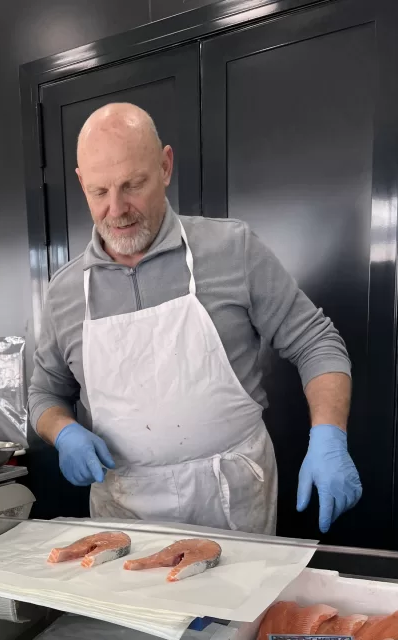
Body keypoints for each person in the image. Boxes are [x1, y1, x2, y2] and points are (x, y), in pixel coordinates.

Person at [28, 103, 362, 534]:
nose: (117, 208)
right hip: (125, 513)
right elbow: (44, 393)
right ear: (81, 184)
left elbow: (316, 342)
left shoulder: (232, 248)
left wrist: (329, 437)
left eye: (133, 185)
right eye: (99, 192)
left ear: (165, 166)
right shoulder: (66, 291)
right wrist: (63, 432)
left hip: (233, 500)